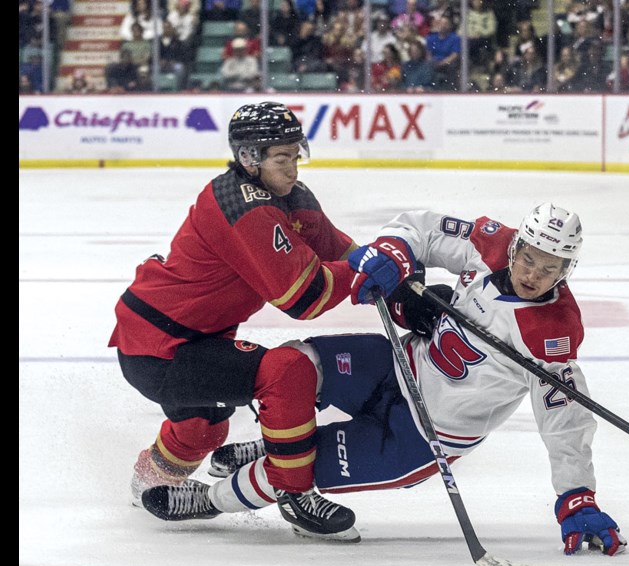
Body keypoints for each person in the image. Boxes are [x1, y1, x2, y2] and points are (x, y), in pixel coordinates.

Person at [140, 204, 628, 557]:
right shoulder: (492, 243)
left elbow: (564, 419)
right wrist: (396, 258)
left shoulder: (552, 331)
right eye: (530, 258)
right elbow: (422, 227)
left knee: (292, 474)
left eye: (551, 267)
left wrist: (575, 495)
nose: (535, 274)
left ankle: (208, 500)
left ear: (567, 269)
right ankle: (284, 443)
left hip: (421, 437)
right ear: (518, 245)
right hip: (397, 364)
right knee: (293, 365)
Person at [109, 102, 416, 541]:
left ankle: (147, 485)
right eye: (281, 158)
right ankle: (295, 493)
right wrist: (374, 272)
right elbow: (304, 297)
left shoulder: (290, 196)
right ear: (250, 158)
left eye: (296, 154)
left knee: (202, 430)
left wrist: (398, 279)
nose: (292, 169)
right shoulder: (244, 207)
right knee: (287, 372)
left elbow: (339, 251)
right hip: (163, 347)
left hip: (179, 336)